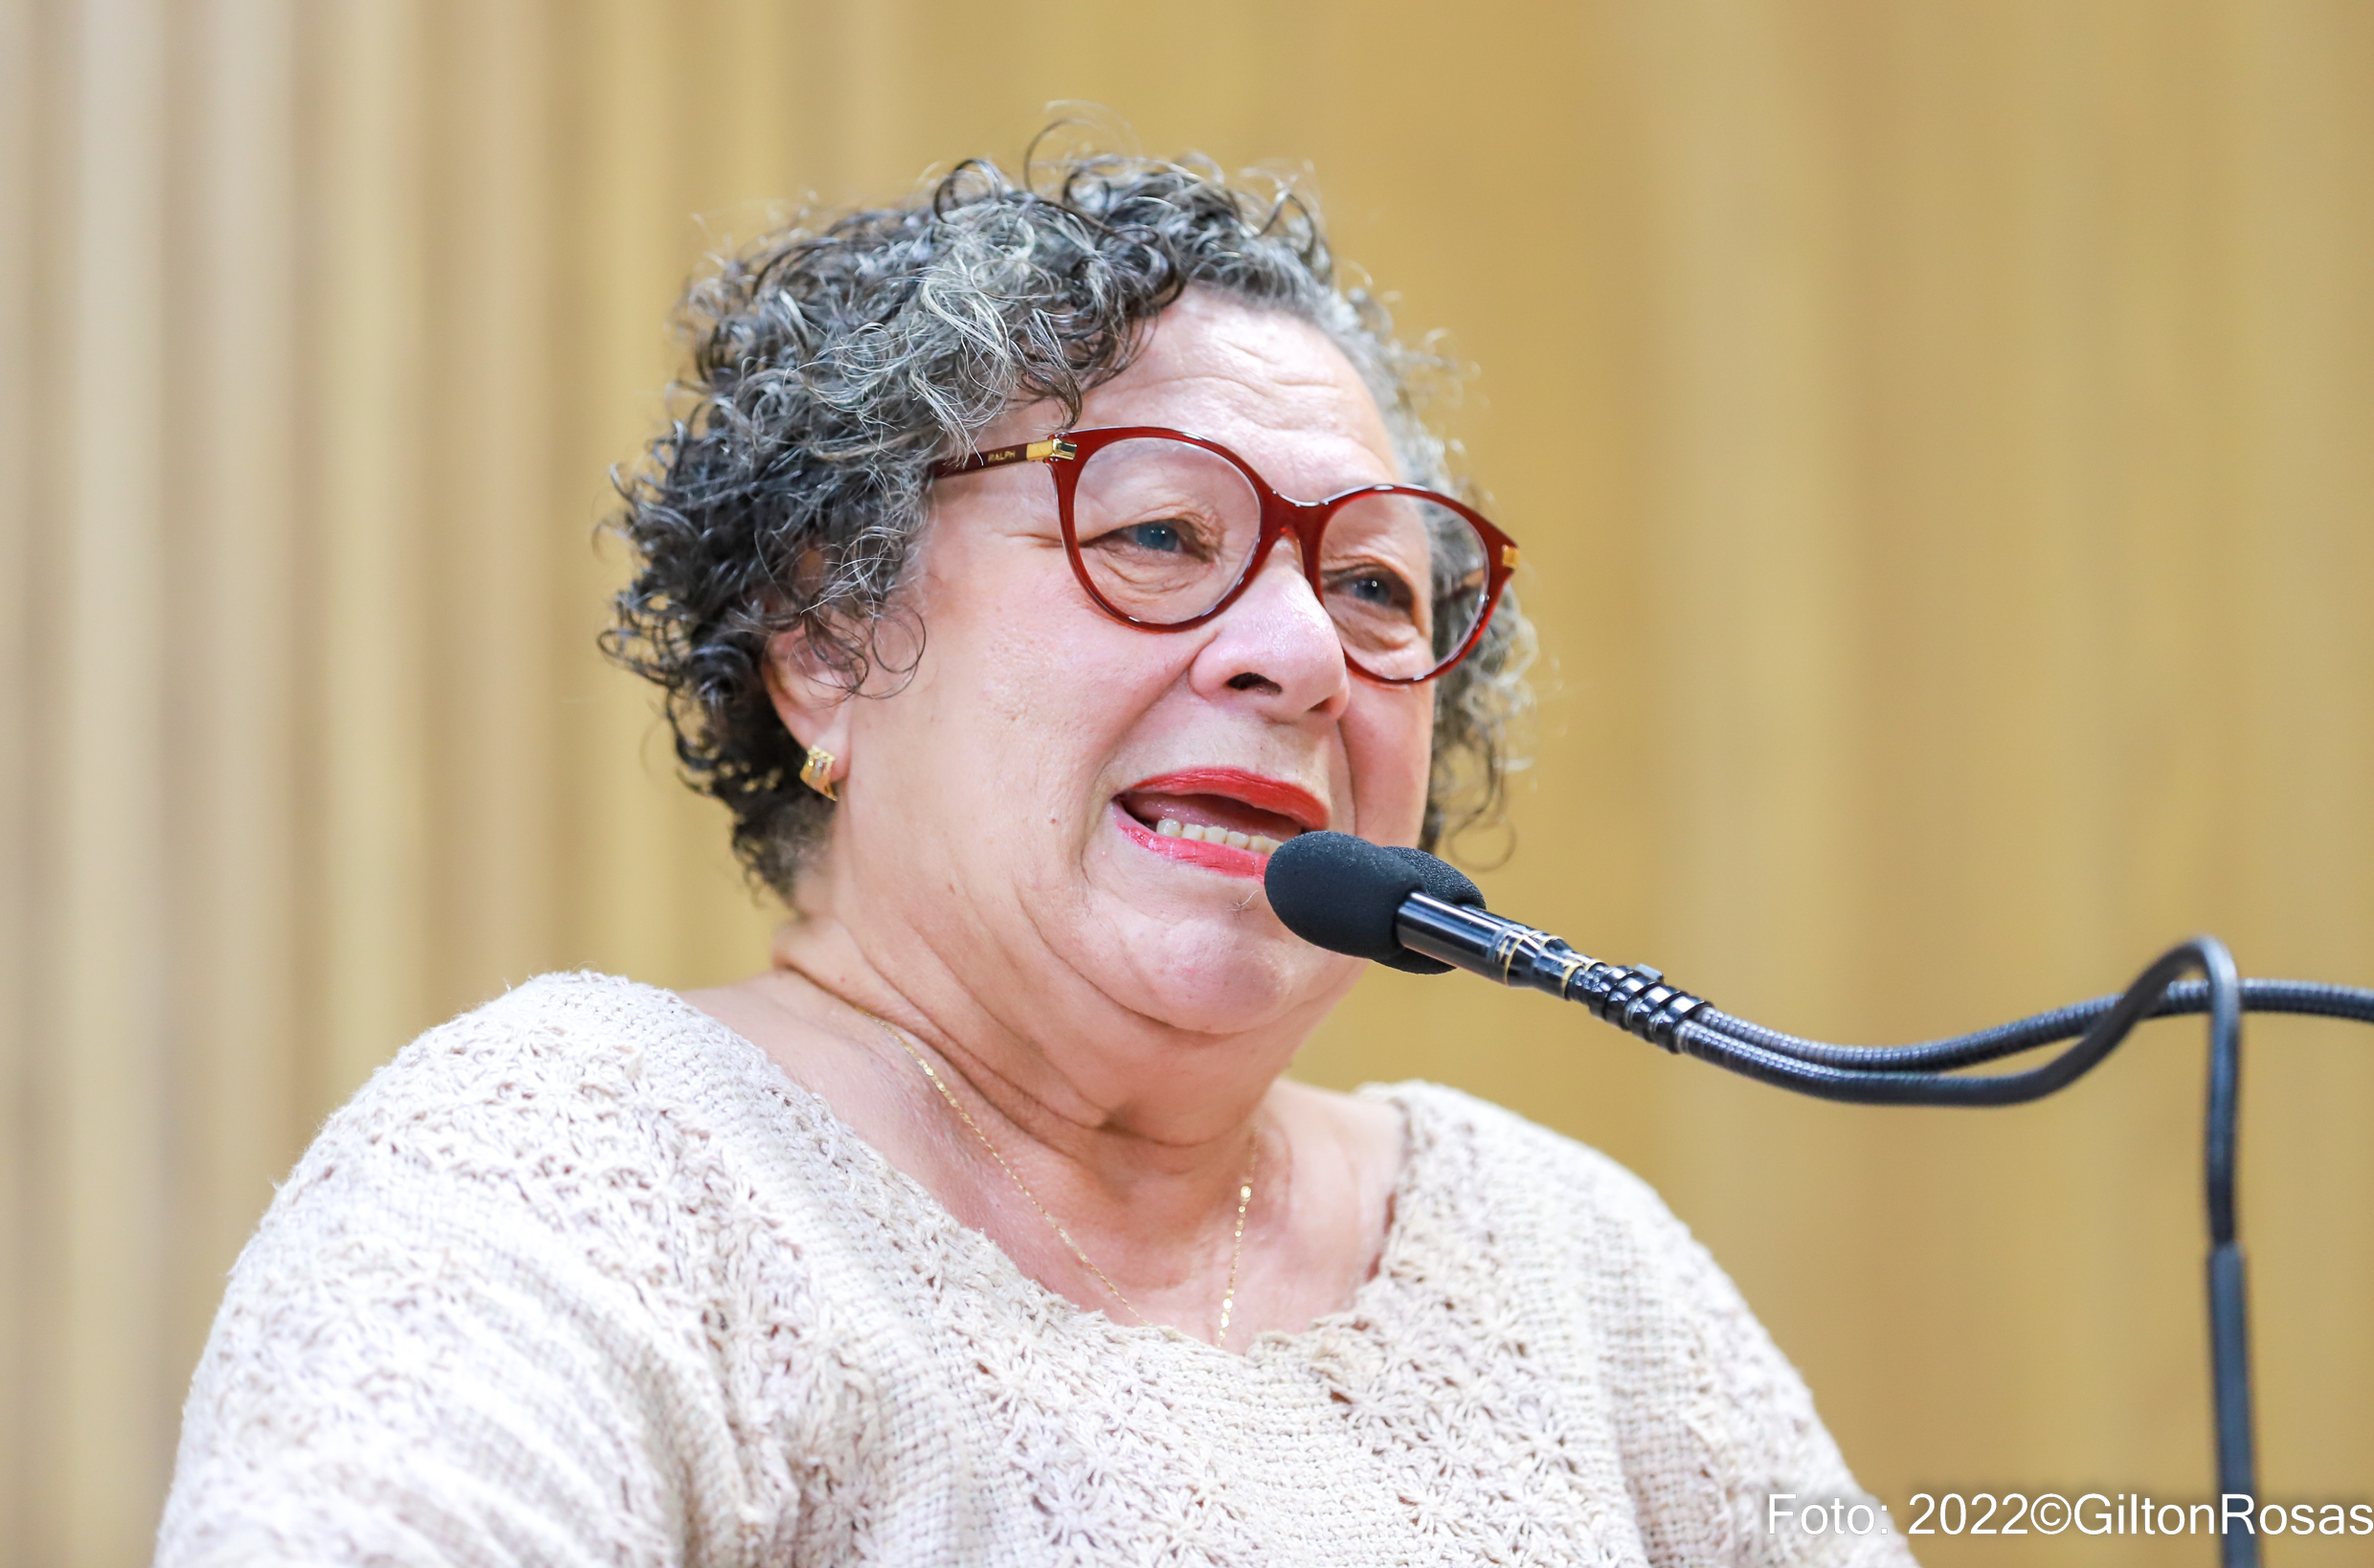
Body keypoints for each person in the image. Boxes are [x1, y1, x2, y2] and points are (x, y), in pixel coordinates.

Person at [159, 150, 1910, 1566]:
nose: (1303, 653)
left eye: (1375, 584)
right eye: (1160, 534)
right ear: (832, 644)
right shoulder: (568, 1166)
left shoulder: (1571, 1257)